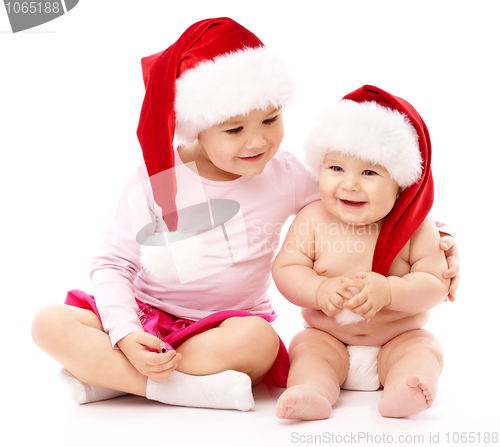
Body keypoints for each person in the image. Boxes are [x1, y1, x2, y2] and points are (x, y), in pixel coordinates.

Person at [31, 18, 459, 412]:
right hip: (147, 315)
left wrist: (437, 239)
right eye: (234, 129)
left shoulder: (286, 173)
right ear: (197, 125)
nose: (258, 141)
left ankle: (105, 380)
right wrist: (125, 334)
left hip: (226, 332)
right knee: (48, 323)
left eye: (271, 119)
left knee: (260, 342)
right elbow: (112, 264)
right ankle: (175, 387)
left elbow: (364, 198)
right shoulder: (155, 175)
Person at [273, 85, 454, 420]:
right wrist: (318, 289)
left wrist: (389, 291)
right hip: (328, 337)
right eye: (336, 169)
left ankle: (406, 389)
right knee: (307, 353)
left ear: (399, 182)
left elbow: (434, 283)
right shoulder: (312, 218)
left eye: (369, 172)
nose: (350, 184)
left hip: (397, 337)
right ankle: (312, 392)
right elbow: (287, 268)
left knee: (425, 349)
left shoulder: (416, 227)